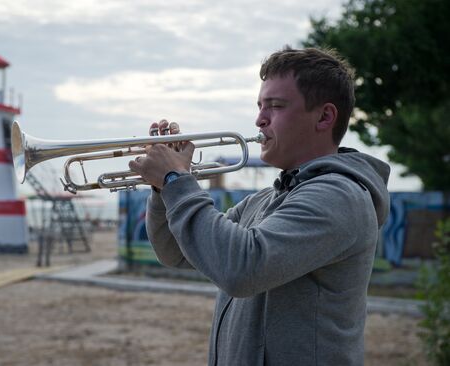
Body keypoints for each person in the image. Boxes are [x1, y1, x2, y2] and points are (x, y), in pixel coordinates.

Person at [128, 46, 390, 366]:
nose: (259, 119)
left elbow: (241, 270)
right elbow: (176, 252)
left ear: (324, 116)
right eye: (260, 106)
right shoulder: (266, 200)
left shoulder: (340, 197)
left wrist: (175, 179)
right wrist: (161, 189)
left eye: (276, 106)